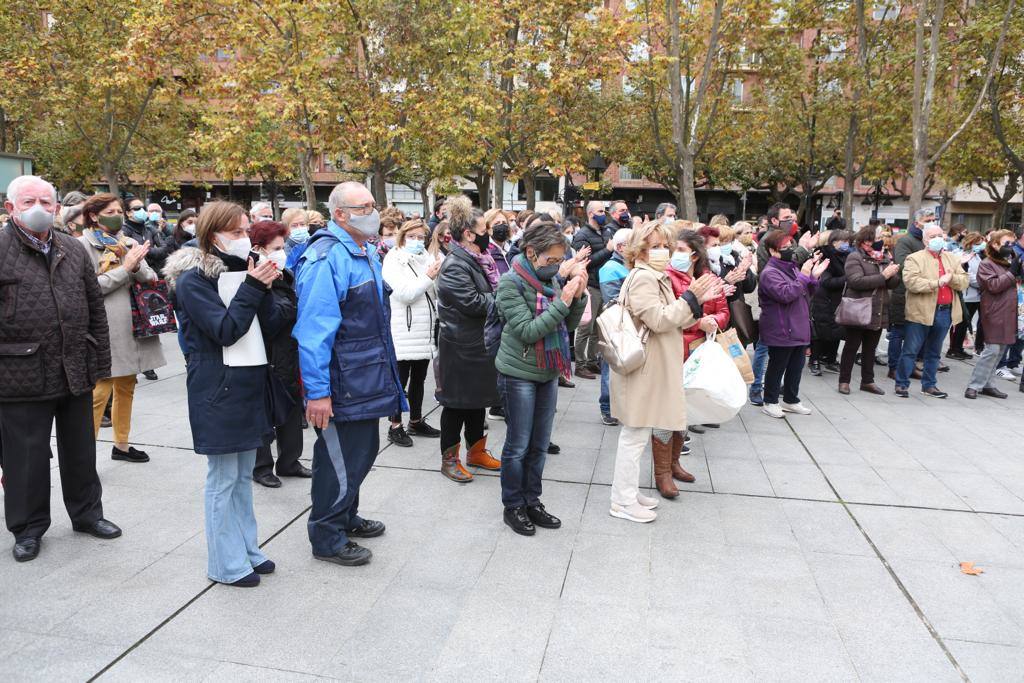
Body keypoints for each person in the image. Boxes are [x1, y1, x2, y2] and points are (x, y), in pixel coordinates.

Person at [0, 175, 121, 562]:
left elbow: (94, 309)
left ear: (56, 207)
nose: (39, 208)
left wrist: (100, 360)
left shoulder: (70, 247)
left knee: (81, 451)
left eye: (46, 202)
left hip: (74, 366)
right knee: (26, 458)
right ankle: (28, 528)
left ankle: (87, 514)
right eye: (28, 202)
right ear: (10, 208)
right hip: (19, 374)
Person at [163, 200, 282, 586]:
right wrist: (254, 286)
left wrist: (272, 284)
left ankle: (247, 549)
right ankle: (225, 562)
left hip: (248, 381)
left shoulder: (243, 268)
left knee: (243, 474)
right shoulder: (193, 280)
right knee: (223, 477)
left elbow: (272, 323)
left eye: (246, 230)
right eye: (235, 232)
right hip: (218, 385)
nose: (244, 238)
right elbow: (226, 330)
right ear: (213, 235)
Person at [293, 183, 403, 568]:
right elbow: (313, 332)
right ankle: (327, 535)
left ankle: (345, 516)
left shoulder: (362, 250)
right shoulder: (326, 258)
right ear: (340, 214)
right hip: (343, 382)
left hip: (366, 375)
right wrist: (318, 393)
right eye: (364, 207)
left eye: (373, 205)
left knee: (360, 453)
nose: (373, 212)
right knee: (339, 459)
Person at [609, 221, 720, 523]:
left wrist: (696, 303)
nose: (662, 251)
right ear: (639, 250)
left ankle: (628, 492)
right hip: (644, 369)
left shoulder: (654, 276)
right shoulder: (644, 277)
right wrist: (691, 298)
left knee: (639, 433)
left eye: (664, 246)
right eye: (654, 246)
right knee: (634, 435)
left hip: (652, 367)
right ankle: (621, 500)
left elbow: (674, 320)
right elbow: (659, 320)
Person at [495, 220, 588, 535]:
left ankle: (532, 501)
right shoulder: (510, 283)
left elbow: (568, 324)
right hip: (518, 371)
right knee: (518, 445)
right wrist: (563, 303)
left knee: (538, 445)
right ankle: (513, 505)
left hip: (547, 370)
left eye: (560, 261)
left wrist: (579, 295)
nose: (556, 266)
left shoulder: (552, 281)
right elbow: (527, 331)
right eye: (551, 260)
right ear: (531, 253)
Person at [79, 193, 166, 463]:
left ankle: (122, 445)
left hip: (134, 324)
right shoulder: (82, 246)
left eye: (120, 210)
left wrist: (135, 263)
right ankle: (84, 456)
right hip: (104, 327)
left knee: (127, 384)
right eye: (111, 210)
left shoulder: (127, 242)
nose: (118, 214)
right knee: (99, 391)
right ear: (94, 215)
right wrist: (125, 269)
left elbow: (151, 277)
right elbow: (89, 287)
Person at [434, 196, 502, 482]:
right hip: (460, 348)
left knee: (477, 402)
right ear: (469, 234)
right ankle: (449, 459)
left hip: (479, 344)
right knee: (456, 405)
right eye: (484, 229)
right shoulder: (454, 264)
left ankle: (476, 451)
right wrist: (503, 297)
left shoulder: (478, 259)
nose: (489, 234)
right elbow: (473, 303)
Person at [664, 228, 731, 492]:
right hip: (676, 349)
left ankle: (674, 462)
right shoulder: (668, 278)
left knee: (686, 409)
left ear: (694, 254)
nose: (674, 255)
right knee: (669, 410)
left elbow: (724, 310)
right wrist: (698, 322)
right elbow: (668, 317)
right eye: (674, 250)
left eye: (680, 250)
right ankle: (662, 471)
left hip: (701, 350)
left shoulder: (710, 278)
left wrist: (715, 321)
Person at [247, 220, 310, 487]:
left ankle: (289, 460)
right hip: (266, 355)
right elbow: (269, 320)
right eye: (276, 248)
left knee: (293, 410)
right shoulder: (253, 278)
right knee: (265, 413)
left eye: (283, 247)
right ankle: (262, 467)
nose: (281, 253)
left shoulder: (284, 275)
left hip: (289, 353)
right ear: (258, 249)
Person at [381, 218, 443, 447]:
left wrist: (435, 276)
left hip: (424, 328)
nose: (416, 241)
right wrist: (429, 277)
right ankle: (394, 425)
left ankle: (416, 420)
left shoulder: (425, 257)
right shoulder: (393, 259)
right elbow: (405, 293)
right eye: (412, 236)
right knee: (400, 380)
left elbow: (432, 291)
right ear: (402, 236)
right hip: (402, 329)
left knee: (419, 378)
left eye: (420, 237)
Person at [749, 203, 817, 406]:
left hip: (793, 317)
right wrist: (804, 251)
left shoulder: (789, 239)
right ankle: (758, 389)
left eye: (793, 218)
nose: (792, 222)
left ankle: (787, 396)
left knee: (793, 361)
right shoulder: (769, 243)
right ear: (775, 221)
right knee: (766, 352)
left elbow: (797, 275)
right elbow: (784, 278)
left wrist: (812, 277)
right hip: (776, 315)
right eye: (787, 217)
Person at [758, 229, 829, 418]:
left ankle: (791, 400)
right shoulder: (769, 273)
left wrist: (813, 277)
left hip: (799, 326)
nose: (790, 250)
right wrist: (805, 276)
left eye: (791, 246)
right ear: (773, 251)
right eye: (785, 248)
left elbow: (806, 292)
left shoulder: (792, 267)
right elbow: (786, 294)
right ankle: (770, 401)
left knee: (796, 366)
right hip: (781, 327)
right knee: (777, 366)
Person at [895, 223, 969, 398]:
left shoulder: (951, 257)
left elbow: (963, 280)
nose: (937, 239)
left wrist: (950, 280)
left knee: (934, 353)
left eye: (939, 236)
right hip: (920, 311)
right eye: (932, 236)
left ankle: (929, 385)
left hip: (945, 312)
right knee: (911, 351)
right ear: (925, 240)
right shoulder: (914, 258)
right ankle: (901, 384)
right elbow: (911, 283)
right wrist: (937, 282)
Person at [838, 226, 900, 395]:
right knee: (851, 347)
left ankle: (867, 381)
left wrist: (894, 273)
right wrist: (884, 276)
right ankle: (844, 381)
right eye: (870, 241)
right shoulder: (854, 257)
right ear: (862, 241)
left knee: (870, 348)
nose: (873, 244)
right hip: (859, 308)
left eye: (876, 240)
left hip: (878, 309)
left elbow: (892, 284)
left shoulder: (882, 257)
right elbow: (856, 281)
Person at [965, 230, 1020, 399]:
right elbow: (993, 286)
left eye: (1012, 243)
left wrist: (1017, 269)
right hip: (994, 312)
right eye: (1006, 243)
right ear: (995, 244)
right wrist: (1012, 272)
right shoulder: (987, 263)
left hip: (1009, 312)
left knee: (1001, 350)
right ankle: (974, 385)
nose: (1010, 247)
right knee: (992, 350)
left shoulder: (1008, 262)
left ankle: (988, 384)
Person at [571, 201, 612, 378]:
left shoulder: (605, 231)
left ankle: (592, 360)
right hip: (591, 285)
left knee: (598, 328)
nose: (604, 214)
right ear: (590, 214)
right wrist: (607, 250)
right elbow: (586, 262)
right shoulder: (582, 235)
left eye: (604, 210)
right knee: (585, 327)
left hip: (603, 284)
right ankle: (580, 364)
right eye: (600, 211)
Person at [887, 209, 929, 380]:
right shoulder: (906, 241)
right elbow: (903, 265)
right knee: (898, 332)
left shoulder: (929, 242)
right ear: (918, 223)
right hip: (903, 293)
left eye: (934, 219)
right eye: (929, 220)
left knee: (915, 333)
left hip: (922, 294)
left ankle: (908, 366)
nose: (932, 222)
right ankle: (894, 367)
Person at [597, 228, 632, 426]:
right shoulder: (610, 268)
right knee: (610, 368)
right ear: (620, 247)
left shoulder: (628, 265)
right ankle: (607, 407)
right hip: (616, 325)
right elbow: (613, 300)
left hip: (626, 324)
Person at [808, 230, 852, 376]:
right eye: (843, 242)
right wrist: (848, 278)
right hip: (824, 300)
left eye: (848, 241)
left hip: (839, 300)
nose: (846, 245)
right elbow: (825, 281)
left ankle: (830, 359)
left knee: (838, 330)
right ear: (833, 242)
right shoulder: (825, 256)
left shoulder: (847, 257)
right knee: (821, 331)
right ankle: (815, 360)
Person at [948, 232, 985, 360]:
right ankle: (953, 349)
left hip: (975, 296)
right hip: (966, 295)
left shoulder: (977, 256)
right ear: (971, 242)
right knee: (960, 323)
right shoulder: (962, 256)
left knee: (964, 324)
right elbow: (968, 276)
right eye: (979, 243)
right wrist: (983, 283)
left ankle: (959, 348)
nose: (982, 245)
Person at [122, 197, 174, 278]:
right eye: (137, 208)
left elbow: (164, 251)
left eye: (143, 208)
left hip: (156, 275)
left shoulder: (150, 229)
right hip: (137, 277)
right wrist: (151, 251)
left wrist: (145, 249)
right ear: (128, 213)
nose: (142, 210)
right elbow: (135, 257)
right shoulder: (123, 232)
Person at [484, 208, 513, 274]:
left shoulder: (512, 248)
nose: (501, 226)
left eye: (504, 223)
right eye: (497, 223)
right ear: (488, 229)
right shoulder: (486, 253)